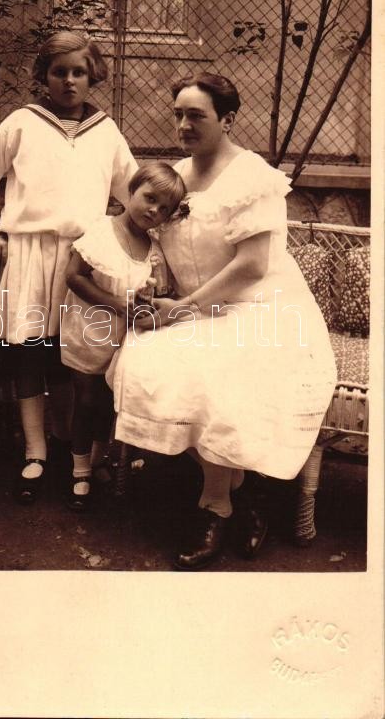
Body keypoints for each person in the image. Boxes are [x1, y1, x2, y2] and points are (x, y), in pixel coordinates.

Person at [107, 72, 337, 570]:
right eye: (179, 114)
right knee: (140, 366)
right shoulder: (176, 178)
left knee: (220, 374)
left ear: (228, 119)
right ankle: (238, 486)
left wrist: (183, 310)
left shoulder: (251, 177)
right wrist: (154, 289)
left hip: (262, 309)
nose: (184, 125)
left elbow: (252, 266)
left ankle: (215, 507)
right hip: (195, 307)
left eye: (197, 115)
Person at [0, 30, 137, 504]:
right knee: (29, 351)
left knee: (76, 355)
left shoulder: (106, 130)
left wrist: (150, 230)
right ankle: (35, 451)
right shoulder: (22, 122)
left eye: (78, 72)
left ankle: (72, 446)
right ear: (43, 76)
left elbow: (130, 188)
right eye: (59, 71)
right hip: (29, 253)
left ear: (93, 76)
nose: (69, 81)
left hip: (83, 258)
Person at [60, 162, 186, 510]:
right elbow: (74, 276)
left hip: (123, 340)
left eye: (164, 208)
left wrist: (147, 302)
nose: (153, 210)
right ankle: (79, 469)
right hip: (89, 332)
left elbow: (148, 290)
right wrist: (117, 304)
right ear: (131, 191)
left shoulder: (152, 248)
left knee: (107, 403)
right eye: (149, 198)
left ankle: (99, 459)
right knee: (86, 401)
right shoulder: (103, 232)